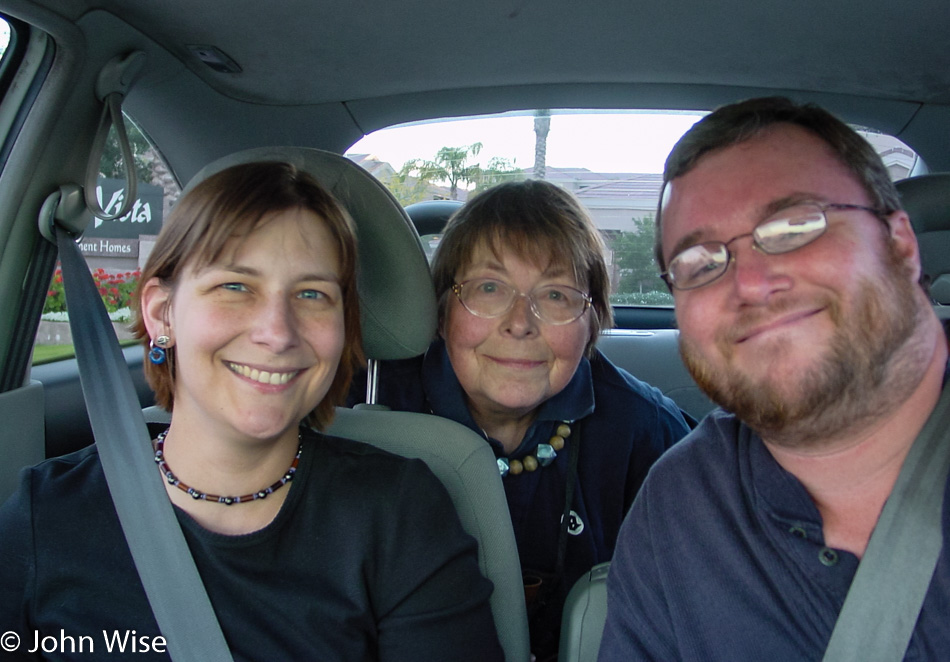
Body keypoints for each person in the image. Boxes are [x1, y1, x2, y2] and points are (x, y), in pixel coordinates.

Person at [0, 162, 503, 661]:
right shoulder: (44, 517)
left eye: (312, 294)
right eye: (235, 286)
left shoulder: (401, 515)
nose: (277, 332)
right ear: (161, 313)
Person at [598, 97, 950, 660]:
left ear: (900, 245)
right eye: (699, 262)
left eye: (795, 225)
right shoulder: (679, 510)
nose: (752, 284)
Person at [378, 179, 691, 660]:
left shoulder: (644, 431)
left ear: (592, 324)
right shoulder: (371, 408)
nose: (520, 322)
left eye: (556, 296)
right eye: (488, 287)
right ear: (442, 312)